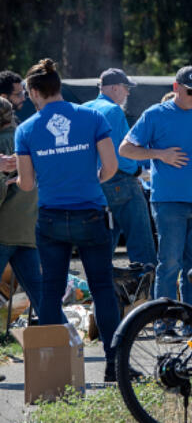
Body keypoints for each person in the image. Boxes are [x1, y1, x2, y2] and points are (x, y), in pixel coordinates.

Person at [13, 59, 122, 380]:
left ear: (34, 92)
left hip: (50, 217)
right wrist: (90, 182)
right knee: (102, 288)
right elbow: (111, 166)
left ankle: (52, 372)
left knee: (51, 290)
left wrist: (17, 176)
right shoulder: (92, 117)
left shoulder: (26, 129)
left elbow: (28, 184)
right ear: (58, 87)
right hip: (90, 211)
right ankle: (114, 364)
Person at [120, 66, 192, 311]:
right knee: (169, 263)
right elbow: (125, 149)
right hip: (168, 201)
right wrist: (160, 154)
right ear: (176, 88)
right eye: (191, 92)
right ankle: (164, 321)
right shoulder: (156, 114)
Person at [82, 67, 157, 267]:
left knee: (104, 241)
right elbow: (120, 152)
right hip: (119, 178)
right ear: (114, 88)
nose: (128, 93)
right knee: (140, 238)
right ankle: (147, 289)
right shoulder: (114, 110)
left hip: (92, 182)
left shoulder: (84, 108)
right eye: (125, 88)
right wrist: (138, 171)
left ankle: (100, 288)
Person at [0, 96, 45, 325]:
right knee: (38, 290)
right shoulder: (25, 138)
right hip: (27, 228)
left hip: (3, 230)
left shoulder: (2, 144)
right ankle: (61, 335)